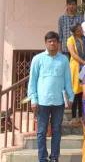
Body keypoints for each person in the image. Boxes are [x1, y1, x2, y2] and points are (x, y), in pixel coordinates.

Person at [28, 31, 74, 162]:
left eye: (54, 41)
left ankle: (54, 157)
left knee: (57, 131)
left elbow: (67, 80)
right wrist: (33, 99)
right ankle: (42, 158)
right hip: (42, 102)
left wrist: (70, 97)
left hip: (58, 102)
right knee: (41, 132)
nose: (52, 43)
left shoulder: (64, 59)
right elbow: (32, 81)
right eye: (50, 41)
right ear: (46, 43)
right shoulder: (38, 59)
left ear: (58, 43)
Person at [66, 24, 85, 125]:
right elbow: (73, 54)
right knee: (75, 92)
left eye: (81, 29)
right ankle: (73, 116)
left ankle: (81, 116)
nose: (81, 30)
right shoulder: (70, 40)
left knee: (82, 92)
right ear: (75, 32)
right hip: (76, 67)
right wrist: (84, 63)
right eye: (79, 30)